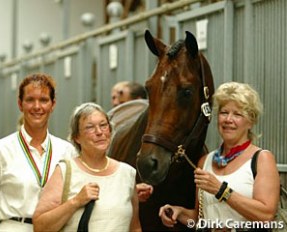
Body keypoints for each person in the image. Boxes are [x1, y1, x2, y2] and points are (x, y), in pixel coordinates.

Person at [159, 82, 280, 230]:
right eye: (224, 112)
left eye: (237, 114)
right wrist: (179, 212)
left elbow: (266, 215)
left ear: (251, 122)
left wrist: (221, 190)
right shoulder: (205, 161)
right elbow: (201, 218)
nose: (228, 119)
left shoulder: (261, 158)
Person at [33, 102, 142, 232]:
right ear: (76, 137)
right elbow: (40, 227)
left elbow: (135, 227)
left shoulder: (127, 173)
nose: (99, 132)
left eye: (103, 125)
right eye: (90, 127)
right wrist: (76, 201)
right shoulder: (65, 170)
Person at [0, 73, 76, 232]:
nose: (37, 106)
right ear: (20, 104)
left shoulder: (67, 151)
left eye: (44, 100)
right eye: (30, 100)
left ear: (53, 104)